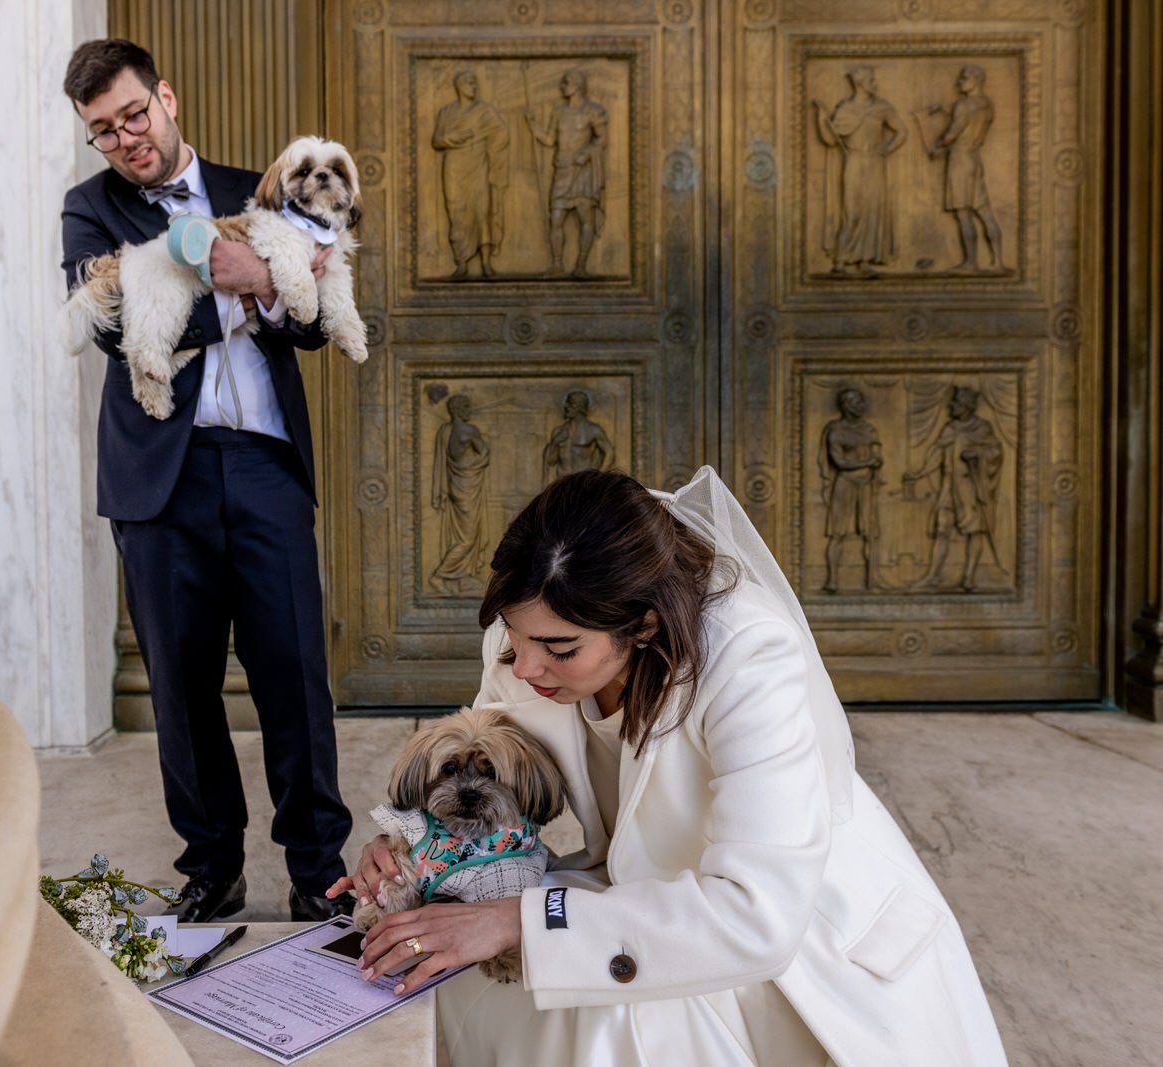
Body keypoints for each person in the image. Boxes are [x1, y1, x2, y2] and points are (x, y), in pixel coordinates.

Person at [332, 468, 1007, 1065]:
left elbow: (756, 915)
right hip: (636, 891)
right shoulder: (530, 637)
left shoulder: (749, 655)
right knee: (454, 955)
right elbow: (483, 788)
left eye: (559, 648)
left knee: (596, 1012)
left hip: (791, 943)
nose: (526, 666)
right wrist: (404, 846)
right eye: (514, 636)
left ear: (645, 626)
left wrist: (519, 920)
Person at [60, 39, 353, 924]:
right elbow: (114, 332)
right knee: (183, 688)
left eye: (133, 116)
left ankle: (317, 868)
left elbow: (311, 322)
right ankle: (211, 865)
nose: (125, 140)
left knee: (294, 673)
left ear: (167, 97)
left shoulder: (261, 189)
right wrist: (249, 288)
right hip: (161, 479)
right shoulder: (89, 210)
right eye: (103, 131)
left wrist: (266, 275)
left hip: (263, 462)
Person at [903, 385, 1004, 592]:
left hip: (970, 487)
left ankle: (969, 577)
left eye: (955, 403)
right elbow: (937, 455)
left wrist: (976, 453)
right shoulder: (950, 428)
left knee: (975, 531)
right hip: (948, 487)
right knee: (942, 528)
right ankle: (933, 576)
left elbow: (995, 452)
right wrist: (919, 473)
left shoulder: (981, 428)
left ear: (966, 406)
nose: (951, 407)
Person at [814, 65, 906, 273]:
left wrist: (886, 149)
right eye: (871, 80)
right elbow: (830, 140)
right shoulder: (845, 108)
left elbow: (902, 131)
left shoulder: (882, 107)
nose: (875, 83)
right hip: (854, 161)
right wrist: (821, 120)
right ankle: (842, 258)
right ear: (861, 83)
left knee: (872, 210)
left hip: (875, 162)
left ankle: (865, 258)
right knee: (852, 210)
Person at [526, 68, 607, 278]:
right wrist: (533, 125)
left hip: (582, 172)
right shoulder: (559, 111)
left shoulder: (593, 111)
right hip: (562, 170)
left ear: (578, 85)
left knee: (585, 219)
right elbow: (550, 140)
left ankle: (581, 265)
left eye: (566, 82)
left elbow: (602, 139)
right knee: (555, 218)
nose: (563, 86)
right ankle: (557, 263)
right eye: (562, 83)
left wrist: (588, 152)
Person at [431, 70, 510, 279]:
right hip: (454, 167)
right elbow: (437, 140)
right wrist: (452, 138)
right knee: (456, 212)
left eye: (475, 82)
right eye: (469, 82)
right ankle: (461, 262)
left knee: (481, 210)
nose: (473, 85)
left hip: (478, 165)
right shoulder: (446, 112)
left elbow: (502, 132)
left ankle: (486, 263)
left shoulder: (485, 111)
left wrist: (488, 145)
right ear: (459, 86)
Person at [928, 64, 1004, 272]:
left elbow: (953, 132)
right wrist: (943, 109)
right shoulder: (987, 104)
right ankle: (998, 262)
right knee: (985, 212)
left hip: (959, 162)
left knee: (964, 215)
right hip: (974, 158)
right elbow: (968, 122)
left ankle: (970, 263)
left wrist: (938, 145)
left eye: (963, 79)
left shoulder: (963, 105)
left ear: (976, 80)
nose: (959, 82)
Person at [819, 386, 883, 593]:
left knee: (870, 533)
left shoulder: (869, 429)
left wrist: (872, 461)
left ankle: (872, 579)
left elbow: (878, 457)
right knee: (837, 533)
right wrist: (867, 461)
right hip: (845, 484)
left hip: (866, 486)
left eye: (861, 402)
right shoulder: (836, 430)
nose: (861, 406)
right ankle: (833, 579)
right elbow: (840, 461)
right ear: (846, 406)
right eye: (856, 402)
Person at [429, 393, 491, 596]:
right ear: (459, 409)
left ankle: (464, 577)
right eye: (467, 406)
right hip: (468, 485)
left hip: (455, 485)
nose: (470, 410)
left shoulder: (445, 431)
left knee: (461, 534)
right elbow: (484, 453)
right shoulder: (468, 430)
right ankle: (440, 575)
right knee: (468, 538)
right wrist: (474, 467)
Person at [542, 388, 615, 483]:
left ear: (579, 407)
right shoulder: (558, 431)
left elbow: (609, 453)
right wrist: (555, 442)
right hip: (562, 482)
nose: (565, 407)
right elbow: (550, 461)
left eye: (569, 404)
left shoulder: (593, 430)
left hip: (584, 482)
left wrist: (599, 474)